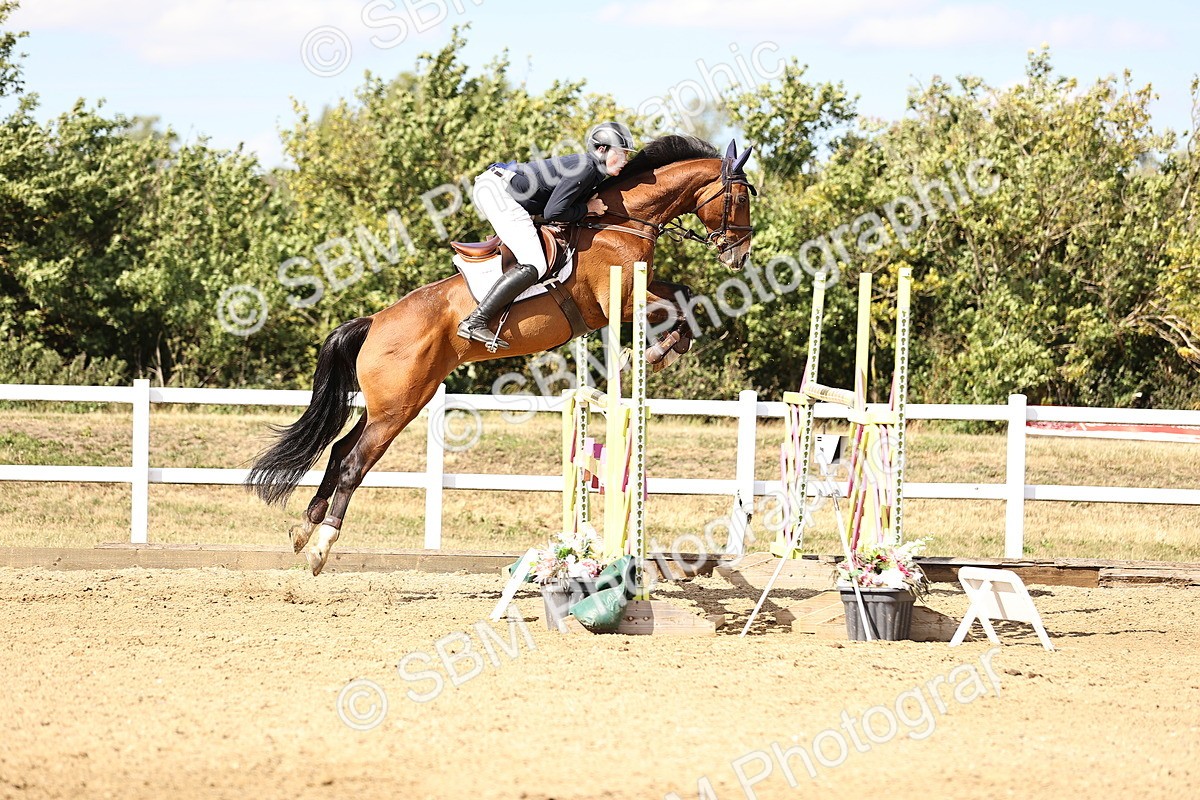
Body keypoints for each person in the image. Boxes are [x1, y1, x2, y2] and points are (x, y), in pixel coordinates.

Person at [457, 121, 636, 349]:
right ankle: (475, 321)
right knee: (535, 263)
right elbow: (554, 212)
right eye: (621, 153)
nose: (625, 160)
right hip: (497, 192)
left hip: (500, 188)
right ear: (602, 150)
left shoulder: (592, 170)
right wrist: (587, 209)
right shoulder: (587, 168)